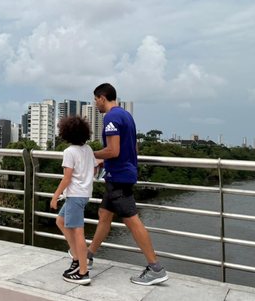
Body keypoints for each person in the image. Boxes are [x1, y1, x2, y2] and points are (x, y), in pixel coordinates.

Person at [87, 82, 168, 285]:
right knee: (104, 215)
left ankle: (155, 268)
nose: (95, 103)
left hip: (119, 178)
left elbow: (113, 150)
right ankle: (88, 255)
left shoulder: (111, 117)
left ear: (102, 98)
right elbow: (128, 149)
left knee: (132, 221)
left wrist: (88, 154)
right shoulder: (125, 115)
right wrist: (103, 160)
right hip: (119, 174)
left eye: (95, 99)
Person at [50, 116, 96, 285]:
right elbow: (94, 167)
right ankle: (77, 259)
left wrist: (55, 196)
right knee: (61, 221)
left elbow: (66, 178)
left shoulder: (69, 152)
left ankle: (83, 272)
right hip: (83, 194)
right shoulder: (88, 149)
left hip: (75, 195)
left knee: (78, 233)